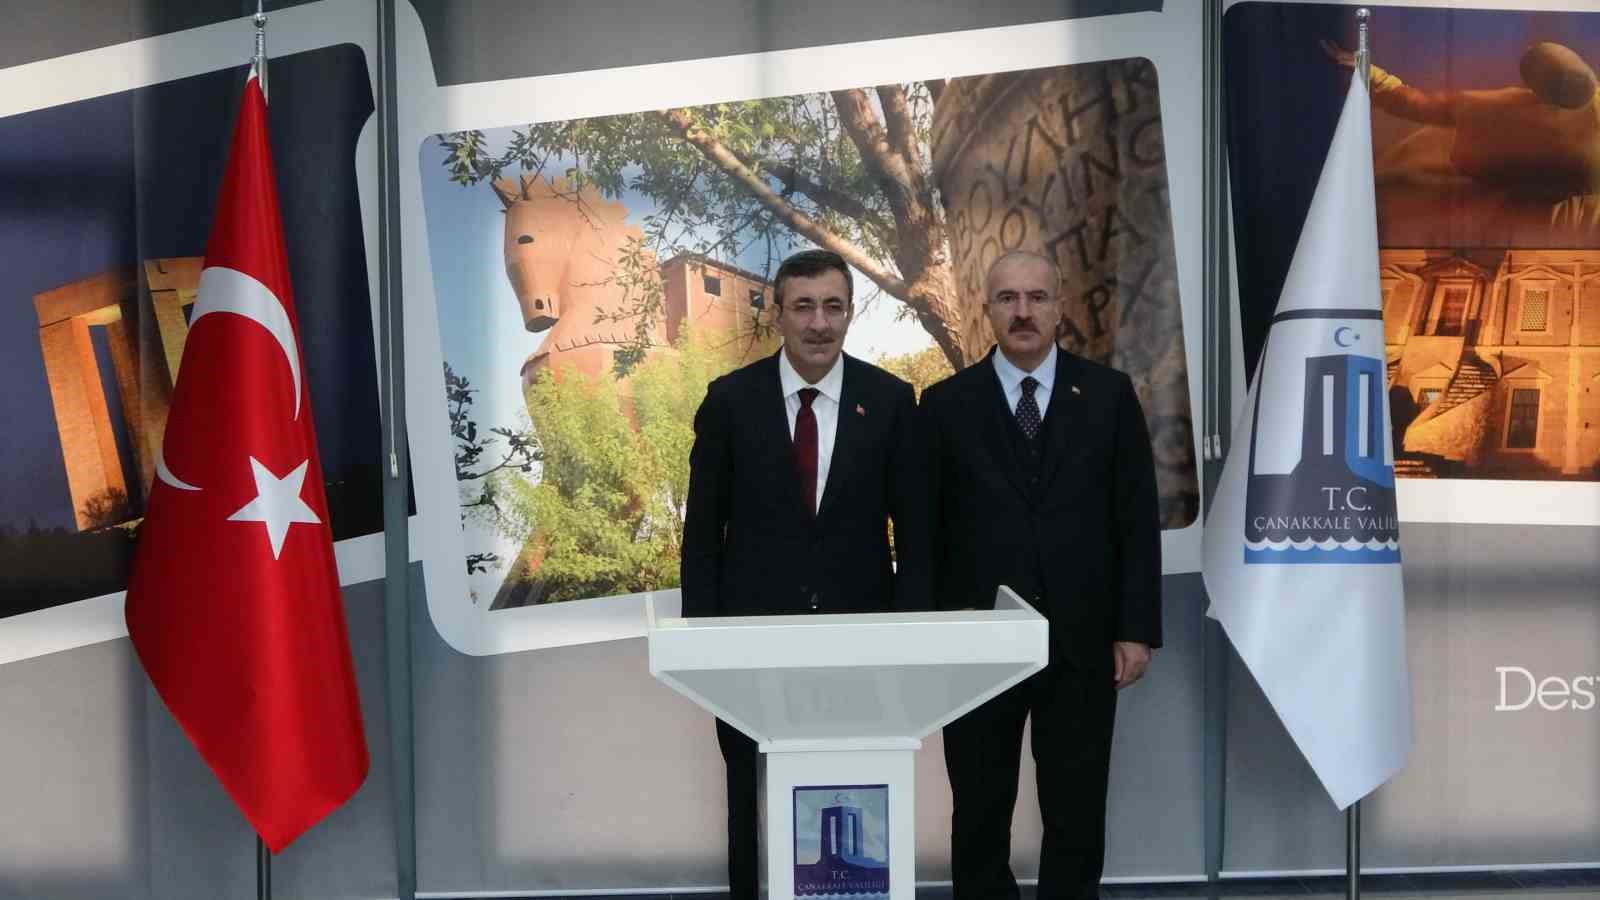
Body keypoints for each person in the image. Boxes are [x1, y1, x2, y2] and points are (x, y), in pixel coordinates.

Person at [680, 248, 928, 900]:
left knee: (853, 793)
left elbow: (917, 534)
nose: (819, 323)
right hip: (749, 644)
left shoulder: (890, 401)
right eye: (804, 307)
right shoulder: (730, 402)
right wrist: (702, 644)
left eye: (833, 307)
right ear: (777, 314)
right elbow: (702, 534)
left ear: (850, 313)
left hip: (862, 640)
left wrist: (912, 636)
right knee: (751, 792)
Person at [921, 250, 1161, 899]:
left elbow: (1135, 519)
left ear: (1060, 308)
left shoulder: (1109, 397)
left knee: (1076, 811)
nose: (1023, 311)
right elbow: (925, 531)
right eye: (1008, 298)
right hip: (975, 646)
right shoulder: (943, 405)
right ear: (988, 310)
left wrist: (1135, 628)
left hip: (1083, 642)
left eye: (1036, 297)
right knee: (978, 810)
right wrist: (929, 632)